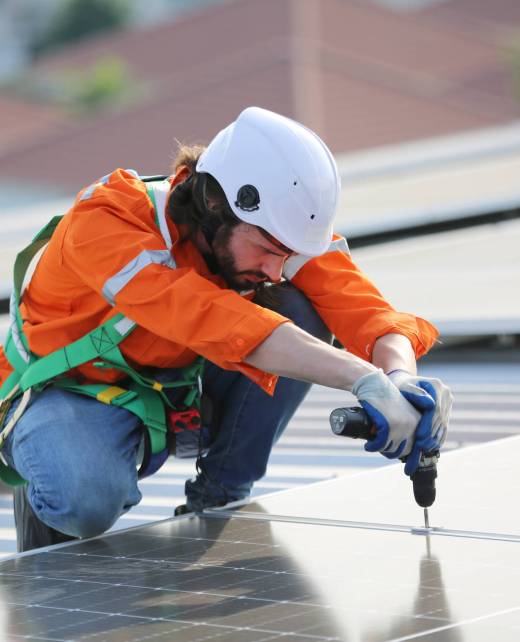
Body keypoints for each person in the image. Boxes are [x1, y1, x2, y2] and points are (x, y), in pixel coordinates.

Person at [0, 106, 452, 552]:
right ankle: (44, 465)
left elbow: (365, 310)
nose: (276, 270)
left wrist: (400, 378)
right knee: (83, 497)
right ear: (214, 203)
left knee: (302, 305)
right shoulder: (109, 221)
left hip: (170, 385)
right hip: (71, 394)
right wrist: (362, 379)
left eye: (287, 255)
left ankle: (222, 491)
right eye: (267, 250)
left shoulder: (268, 229)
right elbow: (209, 317)